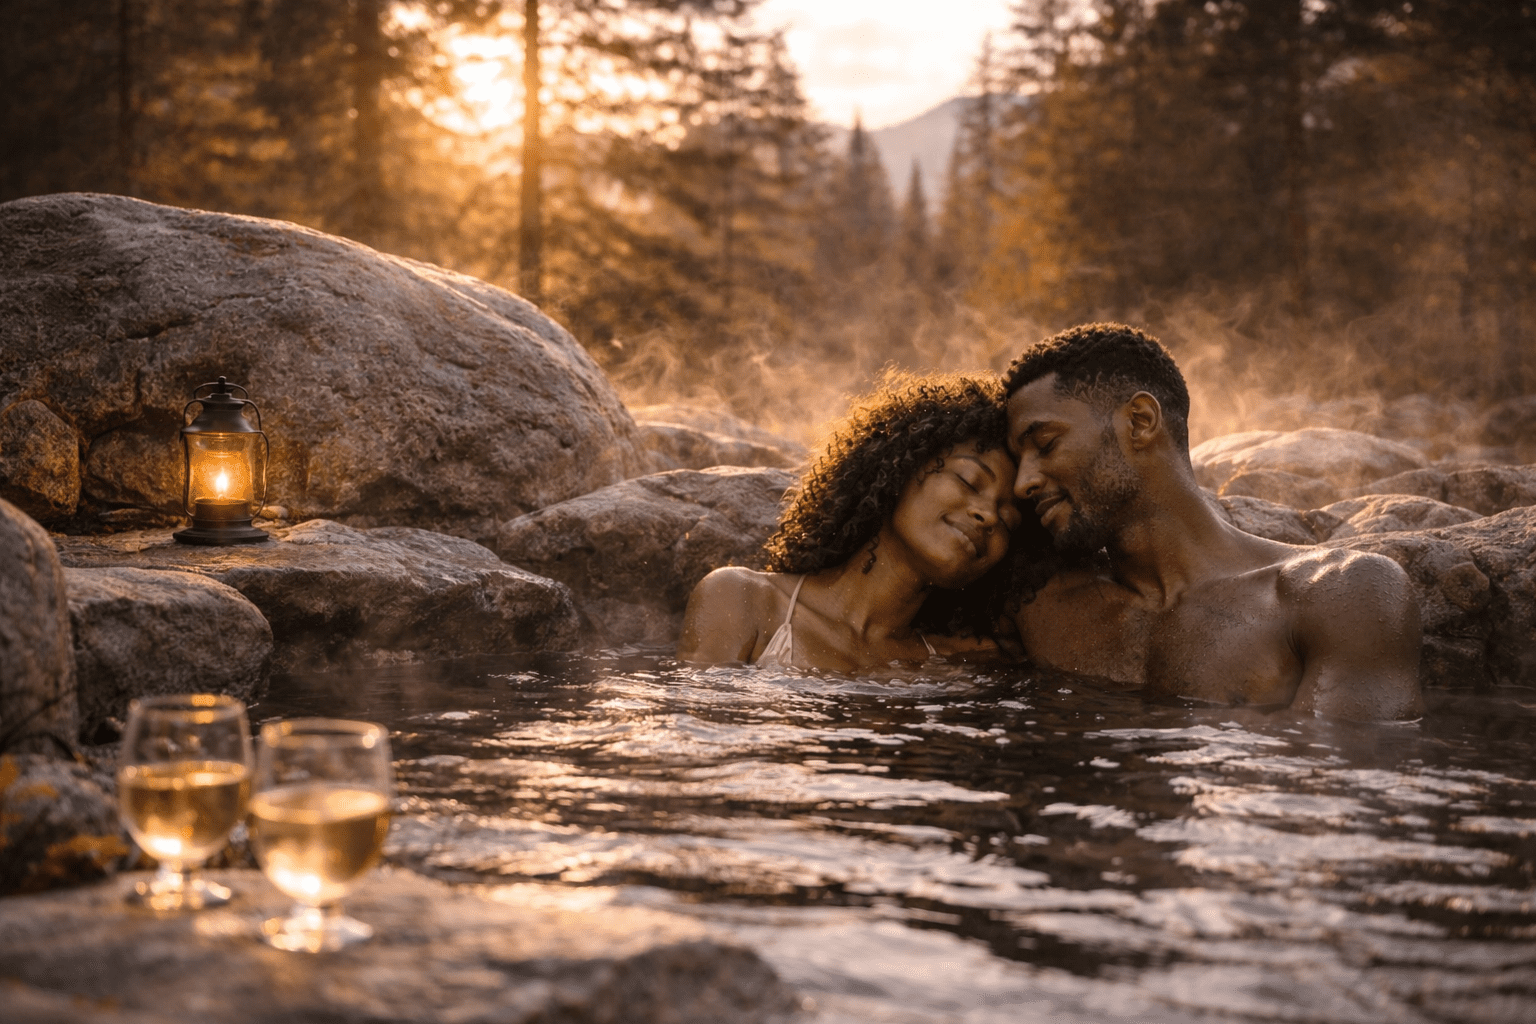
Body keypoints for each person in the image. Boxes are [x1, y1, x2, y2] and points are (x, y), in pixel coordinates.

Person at [1003, 322, 1424, 720]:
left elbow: (1351, 775)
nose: (1023, 483)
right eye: (1016, 461)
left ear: (1140, 422)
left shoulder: (1335, 594)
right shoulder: (1040, 605)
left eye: (1045, 444)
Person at [677, 373, 1033, 672]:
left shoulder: (957, 662)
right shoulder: (745, 600)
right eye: (969, 481)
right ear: (899, 467)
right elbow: (695, 735)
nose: (988, 516)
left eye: (1008, 519)